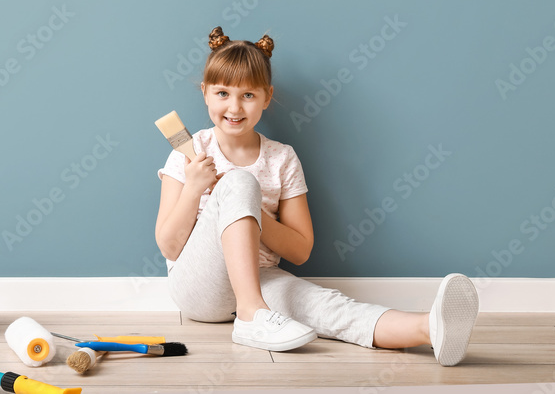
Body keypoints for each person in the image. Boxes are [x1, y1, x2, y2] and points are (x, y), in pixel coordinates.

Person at [154, 26, 479, 366]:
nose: (234, 106)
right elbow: (170, 247)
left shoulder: (282, 158)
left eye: (248, 95)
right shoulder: (189, 155)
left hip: (261, 280)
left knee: (326, 305)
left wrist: (254, 215)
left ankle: (428, 329)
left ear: (266, 97)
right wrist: (194, 189)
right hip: (199, 289)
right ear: (205, 93)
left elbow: (300, 250)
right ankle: (250, 315)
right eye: (222, 93)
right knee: (240, 182)